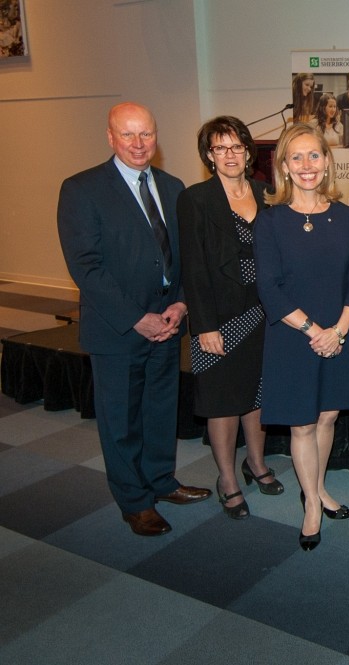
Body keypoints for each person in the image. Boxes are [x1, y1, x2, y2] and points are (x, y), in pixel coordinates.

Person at [57, 102, 211, 537]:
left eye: (146, 134)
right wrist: (134, 318)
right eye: (128, 135)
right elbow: (85, 266)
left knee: (161, 411)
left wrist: (181, 304)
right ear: (110, 137)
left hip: (167, 322)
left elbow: (185, 256)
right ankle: (134, 500)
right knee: (121, 419)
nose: (139, 144)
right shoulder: (82, 189)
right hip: (118, 329)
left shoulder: (173, 185)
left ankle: (161, 482)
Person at [253, 123, 349, 551]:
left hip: (340, 333)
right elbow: (269, 288)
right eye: (296, 157)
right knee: (302, 423)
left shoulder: (347, 217)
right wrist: (314, 331)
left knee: (327, 417)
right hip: (293, 336)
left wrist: (337, 331)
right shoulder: (270, 221)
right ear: (284, 166)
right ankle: (312, 507)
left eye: (314, 156)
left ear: (327, 163)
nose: (306, 166)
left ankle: (318, 487)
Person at [177, 116, 284, 521]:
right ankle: (227, 479)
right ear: (209, 154)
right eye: (220, 148)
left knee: (257, 394)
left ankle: (256, 464)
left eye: (236, 146)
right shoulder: (195, 199)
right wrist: (203, 325)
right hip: (220, 318)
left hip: (265, 312)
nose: (230, 155)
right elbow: (193, 266)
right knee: (222, 401)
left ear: (247, 150)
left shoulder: (266, 191)